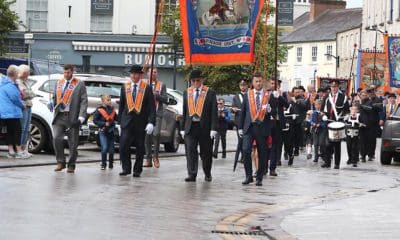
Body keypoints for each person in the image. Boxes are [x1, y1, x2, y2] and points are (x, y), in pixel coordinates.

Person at [118, 64, 156, 177]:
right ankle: (126, 168)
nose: (133, 76)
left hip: (141, 122)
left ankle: (137, 169)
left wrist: (151, 122)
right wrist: (119, 122)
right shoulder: (125, 87)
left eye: (136, 74)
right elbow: (122, 106)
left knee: (140, 147)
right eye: (132, 74)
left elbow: (151, 107)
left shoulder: (147, 88)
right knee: (124, 146)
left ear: (140, 75)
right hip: (127, 121)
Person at [180, 70, 218, 182]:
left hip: (205, 127)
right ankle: (192, 174)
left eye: (198, 80)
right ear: (190, 81)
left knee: (206, 152)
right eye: (193, 80)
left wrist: (213, 128)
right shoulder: (187, 92)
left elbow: (214, 112)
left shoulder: (210, 92)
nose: (196, 82)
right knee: (190, 151)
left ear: (202, 80)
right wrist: (182, 128)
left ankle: (207, 172)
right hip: (190, 126)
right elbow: (185, 111)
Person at [238, 73, 273, 186]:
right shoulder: (248, 95)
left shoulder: (268, 95)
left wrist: (270, 110)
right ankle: (248, 176)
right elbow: (243, 112)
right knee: (246, 150)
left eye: (260, 81)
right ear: (252, 83)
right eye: (256, 81)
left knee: (262, 153)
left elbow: (275, 112)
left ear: (263, 82)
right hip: (249, 127)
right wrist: (239, 127)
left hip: (262, 128)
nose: (258, 83)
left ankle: (259, 177)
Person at [53, 64, 88, 173]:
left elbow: (84, 101)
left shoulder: (79, 84)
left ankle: (71, 164)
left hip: (72, 116)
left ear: (72, 72)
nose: (66, 75)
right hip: (59, 115)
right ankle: (60, 162)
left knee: (73, 142)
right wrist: (52, 103)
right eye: (64, 72)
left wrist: (81, 117)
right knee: (56, 138)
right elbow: (55, 97)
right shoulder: (59, 82)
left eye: (68, 72)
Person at [0, 65, 28, 159]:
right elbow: (15, 98)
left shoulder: (3, 83)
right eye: (17, 73)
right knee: (17, 131)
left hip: (5, 112)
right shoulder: (10, 85)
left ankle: (11, 151)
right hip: (12, 112)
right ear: (15, 74)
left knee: (9, 132)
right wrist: (22, 105)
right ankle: (19, 151)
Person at [320, 80, 349, 169]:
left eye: (335, 86)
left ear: (338, 87)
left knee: (337, 145)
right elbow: (322, 110)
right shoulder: (327, 97)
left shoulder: (343, 97)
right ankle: (327, 162)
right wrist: (323, 115)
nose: (333, 88)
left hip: (338, 123)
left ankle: (337, 164)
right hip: (328, 122)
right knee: (327, 144)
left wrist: (345, 116)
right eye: (332, 87)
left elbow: (346, 110)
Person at [144, 67, 168, 168]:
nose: (153, 74)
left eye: (155, 72)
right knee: (147, 136)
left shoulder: (161, 85)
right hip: (147, 113)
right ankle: (148, 158)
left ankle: (156, 157)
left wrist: (156, 95)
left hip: (157, 113)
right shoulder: (144, 84)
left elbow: (165, 99)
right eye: (151, 72)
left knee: (156, 134)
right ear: (147, 73)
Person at [93, 94, 116, 170]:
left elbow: (116, 118)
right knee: (104, 148)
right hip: (103, 131)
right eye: (108, 100)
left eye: (110, 100)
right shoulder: (99, 110)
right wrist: (103, 123)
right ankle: (103, 164)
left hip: (111, 131)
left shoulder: (112, 109)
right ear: (103, 101)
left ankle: (111, 163)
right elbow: (95, 120)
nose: (110, 101)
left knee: (112, 150)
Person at [17, 64, 35, 157]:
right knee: (22, 128)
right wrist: (30, 94)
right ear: (23, 73)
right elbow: (24, 94)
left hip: (28, 106)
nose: (28, 74)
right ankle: (19, 149)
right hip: (23, 107)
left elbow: (31, 93)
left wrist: (29, 93)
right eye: (27, 73)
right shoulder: (18, 81)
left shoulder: (25, 82)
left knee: (27, 128)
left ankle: (24, 148)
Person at [232, 79, 248, 164]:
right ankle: (242, 156)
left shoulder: (250, 95)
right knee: (240, 140)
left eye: (244, 85)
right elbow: (233, 107)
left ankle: (245, 156)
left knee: (246, 139)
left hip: (247, 121)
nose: (243, 87)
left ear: (247, 86)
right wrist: (233, 109)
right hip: (239, 121)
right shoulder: (236, 96)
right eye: (241, 85)